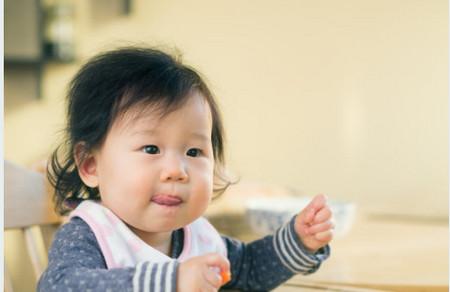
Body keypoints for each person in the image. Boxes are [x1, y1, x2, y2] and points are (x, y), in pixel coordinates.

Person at [38, 47, 333, 292]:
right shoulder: (91, 234)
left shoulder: (198, 238)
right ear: (90, 165)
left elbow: (250, 270)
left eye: (194, 152)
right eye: (151, 149)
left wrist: (298, 241)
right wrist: (172, 281)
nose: (177, 171)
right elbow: (62, 286)